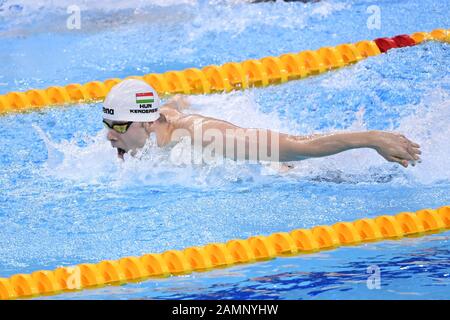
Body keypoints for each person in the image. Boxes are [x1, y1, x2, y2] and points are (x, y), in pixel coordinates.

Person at [102, 79, 421, 167]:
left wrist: (370, 139)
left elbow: (296, 146)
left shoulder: (201, 136)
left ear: (145, 124)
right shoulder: (149, 125)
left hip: (287, 172)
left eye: (116, 127)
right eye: (106, 124)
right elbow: (171, 104)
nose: (106, 135)